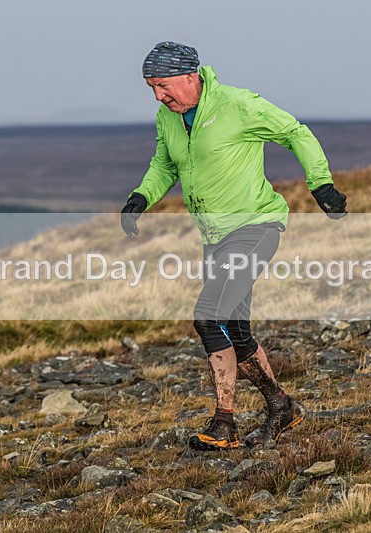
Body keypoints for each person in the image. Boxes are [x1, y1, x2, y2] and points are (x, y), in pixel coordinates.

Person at [121, 41, 347, 450]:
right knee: (234, 328)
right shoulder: (168, 117)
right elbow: (164, 164)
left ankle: (226, 421)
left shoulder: (239, 105)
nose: (158, 96)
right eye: (152, 88)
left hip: (254, 227)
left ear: (192, 76)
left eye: (164, 86)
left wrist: (321, 183)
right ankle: (277, 407)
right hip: (215, 236)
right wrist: (142, 197)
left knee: (210, 317)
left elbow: (296, 132)